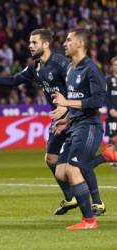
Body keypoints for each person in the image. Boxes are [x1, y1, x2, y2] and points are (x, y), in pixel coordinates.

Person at [0, 28, 107, 216]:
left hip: (73, 114)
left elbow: (78, 88)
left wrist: (67, 108)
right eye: (30, 43)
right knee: (51, 159)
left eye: (34, 42)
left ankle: (96, 202)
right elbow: (14, 81)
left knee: (77, 162)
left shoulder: (62, 63)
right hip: (60, 117)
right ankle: (71, 197)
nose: (30, 46)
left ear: (46, 44)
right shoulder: (35, 67)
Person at [52, 28, 107, 230]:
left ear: (80, 44)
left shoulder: (91, 69)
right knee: (60, 171)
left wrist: (66, 103)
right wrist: (66, 119)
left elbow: (98, 100)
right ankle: (106, 156)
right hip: (74, 125)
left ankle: (89, 220)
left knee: (73, 169)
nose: (64, 43)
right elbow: (76, 99)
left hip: (89, 126)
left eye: (69, 40)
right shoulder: (70, 69)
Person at [105, 56, 117, 168]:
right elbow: (105, 96)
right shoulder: (108, 80)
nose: (116, 66)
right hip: (112, 114)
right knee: (113, 136)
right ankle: (111, 159)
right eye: (114, 65)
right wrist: (110, 109)